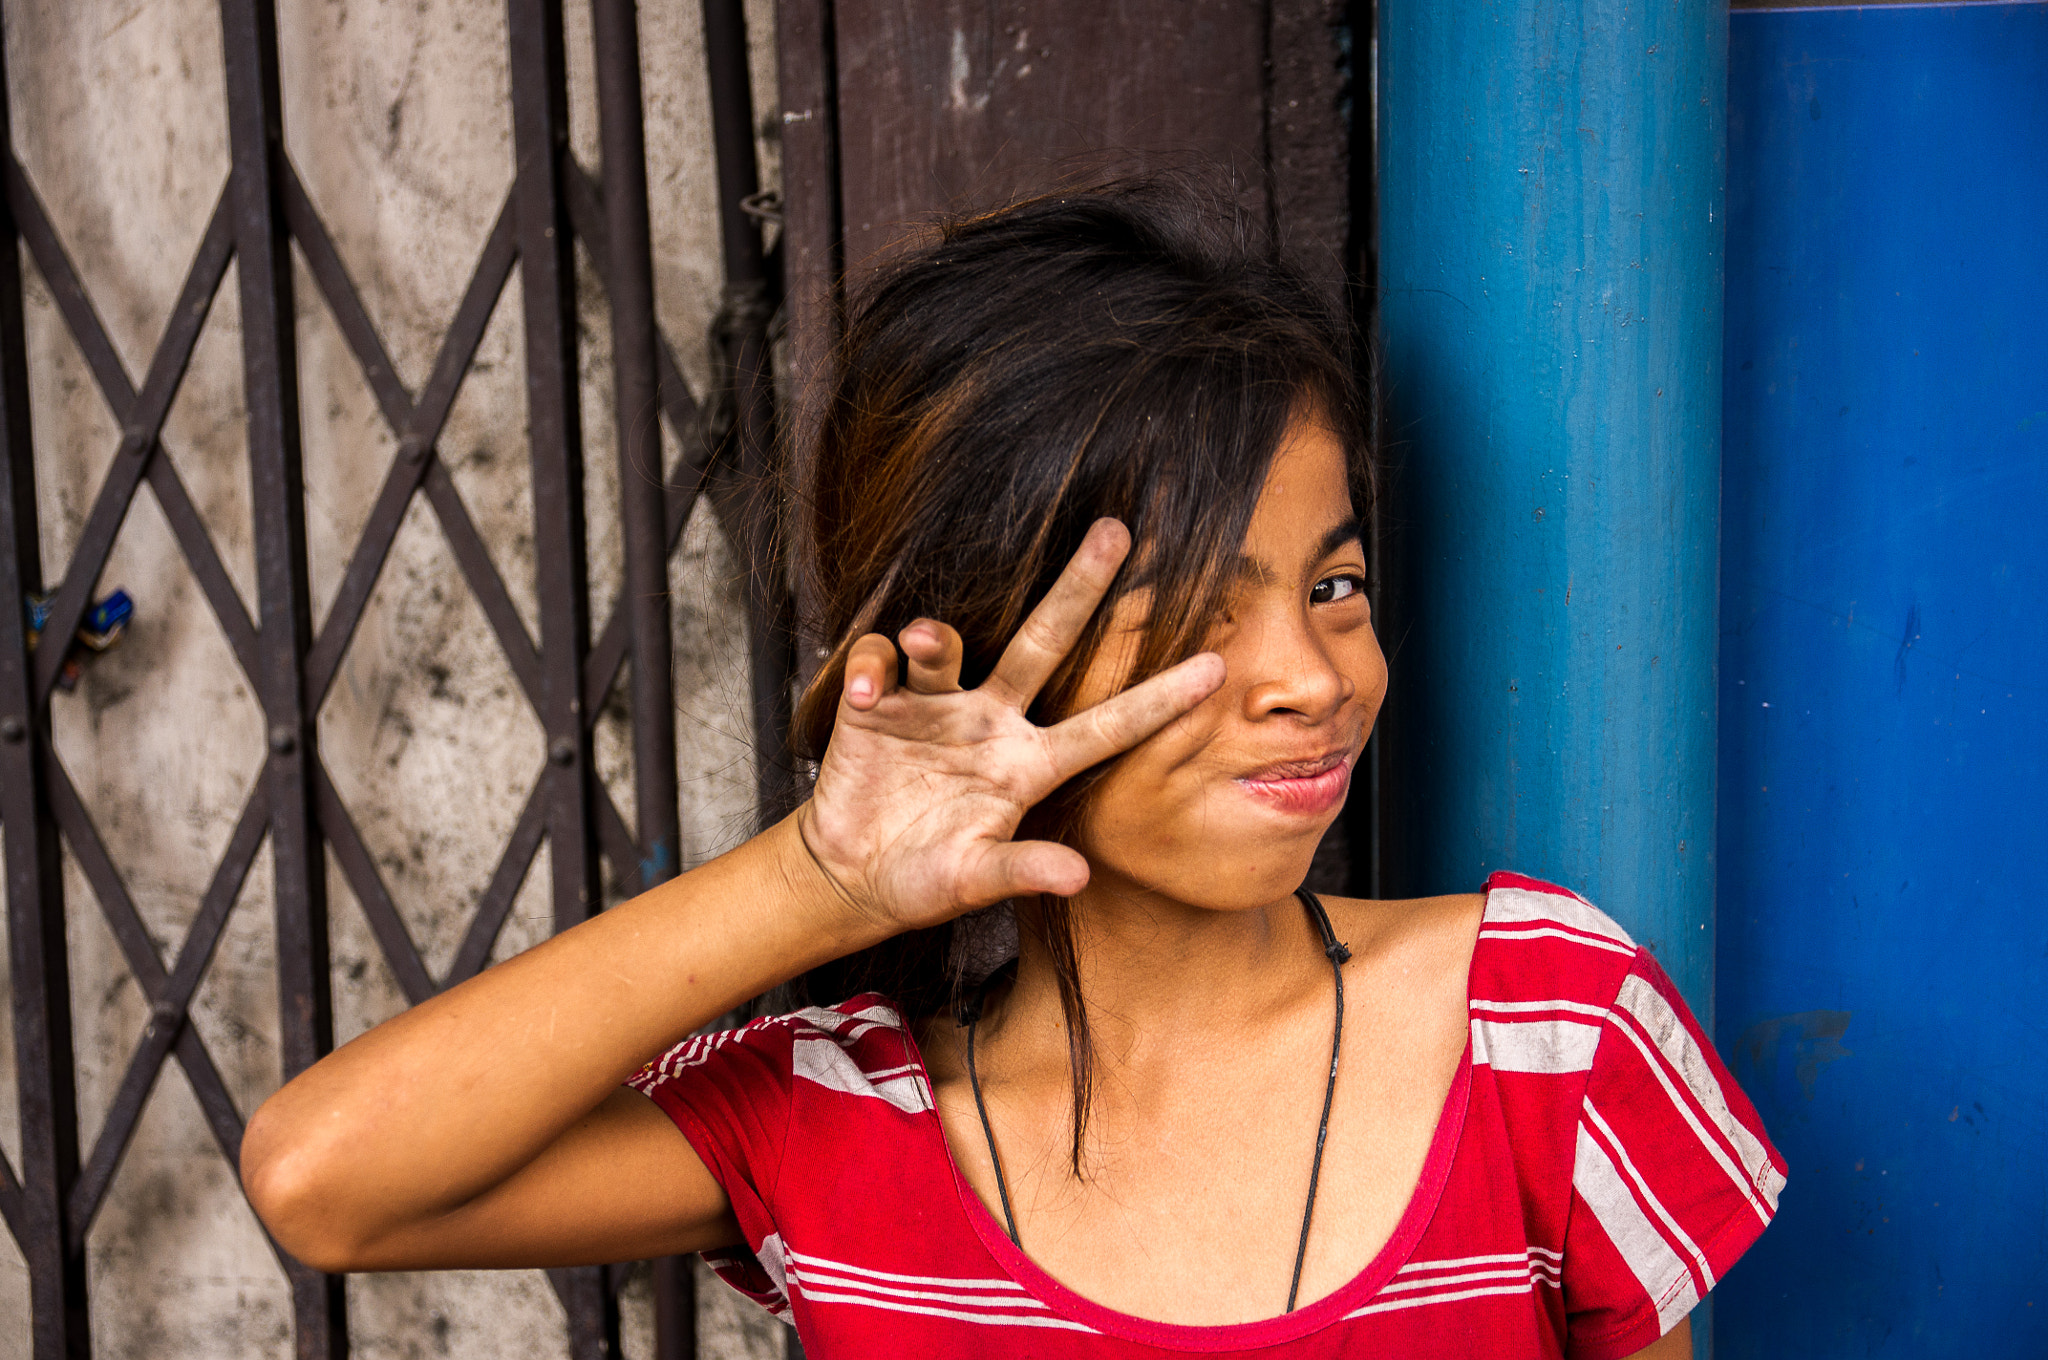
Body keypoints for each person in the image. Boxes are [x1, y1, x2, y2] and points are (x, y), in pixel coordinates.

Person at [241, 182, 1783, 1358]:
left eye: (1334, 585)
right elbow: (326, 1180)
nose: (1312, 682)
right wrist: (818, 880)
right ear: (973, 651)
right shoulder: (839, 1121)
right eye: (1190, 612)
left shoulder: (1545, 1027)